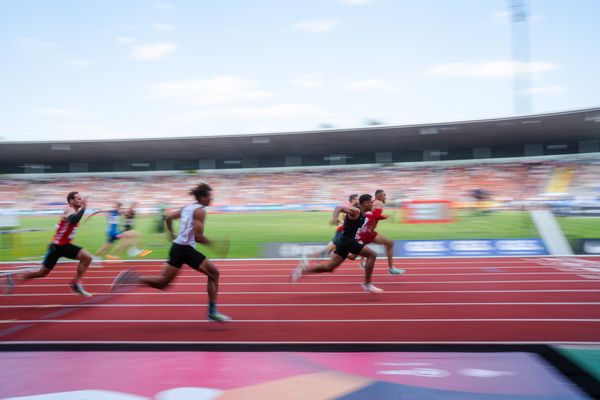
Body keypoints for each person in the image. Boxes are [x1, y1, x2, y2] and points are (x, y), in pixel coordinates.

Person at [111, 183, 231, 322]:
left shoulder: (188, 207)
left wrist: (171, 234)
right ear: (202, 197)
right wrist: (215, 244)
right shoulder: (200, 211)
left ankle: (132, 278)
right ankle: (212, 312)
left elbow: (168, 218)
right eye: (210, 196)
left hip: (178, 247)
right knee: (214, 273)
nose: (212, 199)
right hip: (185, 249)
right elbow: (198, 237)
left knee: (163, 283)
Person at [1, 191, 94, 297]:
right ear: (71, 201)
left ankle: (76, 283)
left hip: (64, 246)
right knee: (41, 273)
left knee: (87, 257)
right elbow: (73, 220)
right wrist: (84, 208)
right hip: (57, 247)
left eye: (81, 198)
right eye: (78, 198)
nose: (81, 200)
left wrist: (82, 209)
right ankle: (14, 278)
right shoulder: (69, 209)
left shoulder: (75, 211)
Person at [291, 194, 383, 293]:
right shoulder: (357, 211)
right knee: (372, 255)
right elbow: (339, 207)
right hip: (348, 240)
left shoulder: (363, 213)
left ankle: (302, 271)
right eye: (370, 201)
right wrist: (335, 218)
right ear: (365, 203)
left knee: (329, 267)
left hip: (345, 241)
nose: (372, 203)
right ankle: (367, 284)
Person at [300, 194, 359, 266]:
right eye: (357, 199)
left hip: (341, 232)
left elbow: (345, 221)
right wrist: (337, 220)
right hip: (342, 233)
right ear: (353, 200)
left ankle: (307, 256)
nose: (358, 200)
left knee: (327, 251)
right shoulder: (350, 209)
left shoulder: (350, 208)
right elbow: (346, 222)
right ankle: (309, 256)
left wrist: (338, 220)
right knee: (349, 255)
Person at [84, 201, 150, 260]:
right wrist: (89, 216)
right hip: (113, 232)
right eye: (120, 208)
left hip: (113, 232)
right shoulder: (115, 211)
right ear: (119, 207)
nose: (121, 209)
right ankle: (132, 250)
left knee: (106, 247)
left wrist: (90, 216)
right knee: (130, 235)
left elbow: (128, 214)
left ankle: (95, 257)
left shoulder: (117, 212)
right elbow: (99, 211)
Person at [363, 189, 404, 275]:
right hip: (368, 232)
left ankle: (339, 250)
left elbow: (371, 215)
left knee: (352, 254)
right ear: (379, 196)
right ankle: (391, 268)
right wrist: (386, 217)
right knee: (390, 243)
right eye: (384, 195)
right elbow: (376, 216)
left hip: (366, 231)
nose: (385, 197)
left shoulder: (373, 202)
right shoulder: (379, 202)